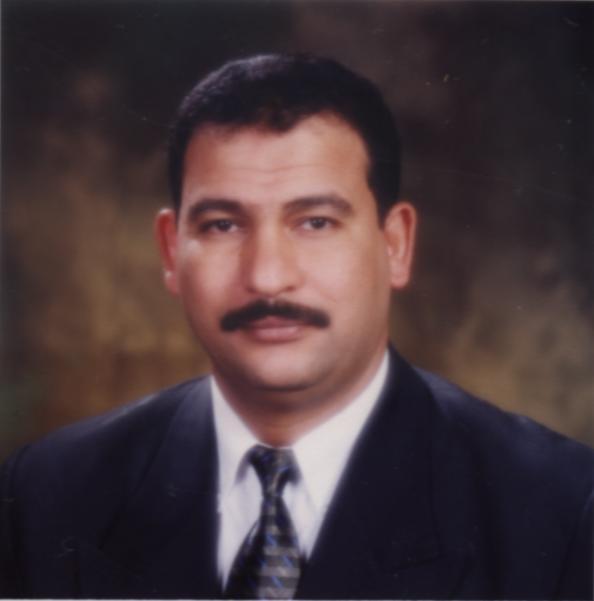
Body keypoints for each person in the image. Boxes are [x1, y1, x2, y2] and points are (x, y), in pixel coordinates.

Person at [0, 53, 592, 600]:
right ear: (170, 251)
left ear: (395, 245)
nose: (267, 277)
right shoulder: (42, 496)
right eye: (223, 225)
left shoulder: (562, 510)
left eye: (315, 222)